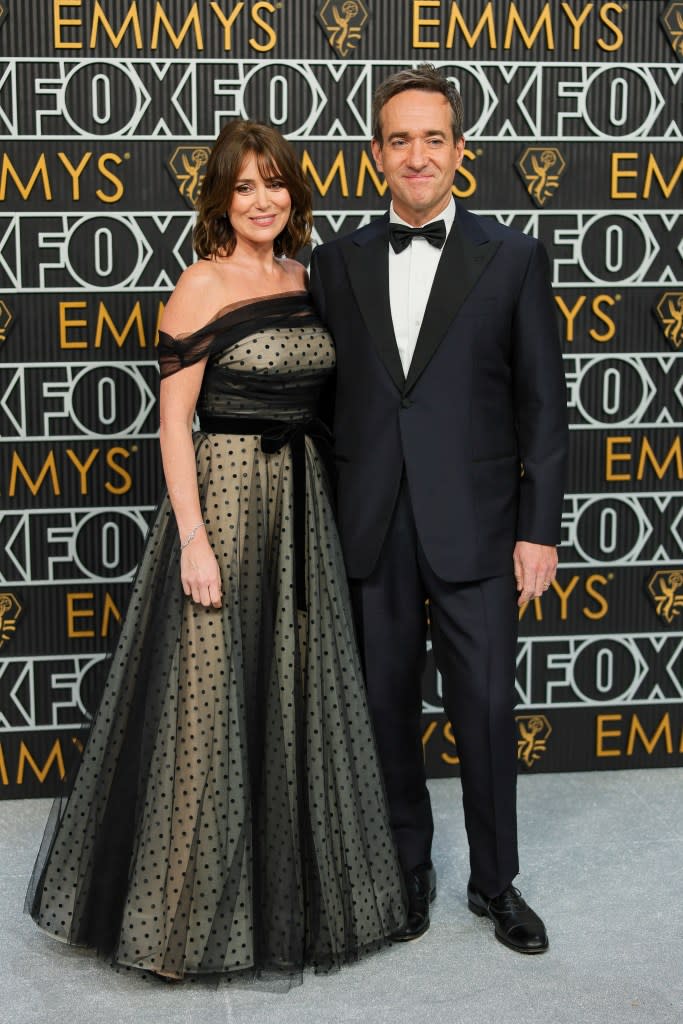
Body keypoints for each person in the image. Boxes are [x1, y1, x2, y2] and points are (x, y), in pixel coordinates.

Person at [25, 120, 406, 981]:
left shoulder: (312, 281)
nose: (262, 200)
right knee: (206, 713)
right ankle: (178, 924)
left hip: (305, 506)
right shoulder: (198, 284)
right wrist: (192, 539)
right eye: (244, 187)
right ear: (221, 199)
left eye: (274, 184)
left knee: (292, 701)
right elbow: (172, 421)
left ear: (293, 193)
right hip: (227, 500)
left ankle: (288, 902)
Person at [309, 65, 568, 954]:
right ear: (374, 154)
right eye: (398, 139)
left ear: (460, 150)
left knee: (486, 712)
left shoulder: (516, 257)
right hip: (370, 524)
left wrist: (539, 530)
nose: (415, 154)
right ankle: (406, 871)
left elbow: (542, 405)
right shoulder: (334, 263)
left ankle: (495, 884)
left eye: (433, 137)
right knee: (384, 710)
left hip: (483, 527)